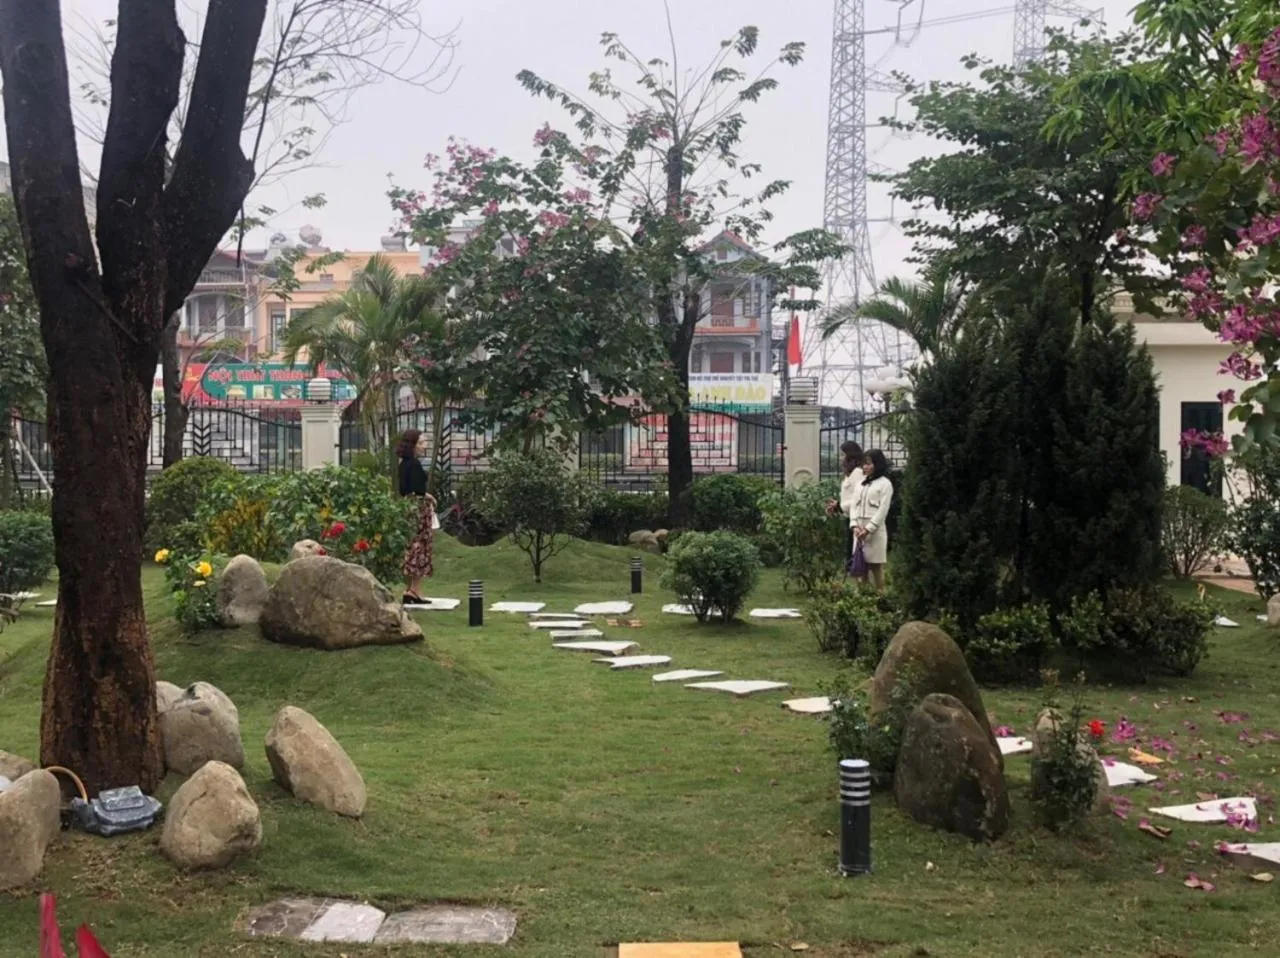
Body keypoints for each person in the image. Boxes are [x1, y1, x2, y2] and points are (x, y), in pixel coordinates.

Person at [396, 428, 436, 607]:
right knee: (420, 546)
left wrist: (425, 495)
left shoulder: (403, 464)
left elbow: (405, 490)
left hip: (409, 506)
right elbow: (417, 489)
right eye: (421, 442)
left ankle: (411, 589)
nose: (424, 446)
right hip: (419, 509)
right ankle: (415, 590)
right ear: (412, 445)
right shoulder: (414, 464)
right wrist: (426, 497)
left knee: (413, 545)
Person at [852, 449, 894, 592]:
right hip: (859, 531)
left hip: (875, 532)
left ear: (877, 464)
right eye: (864, 464)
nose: (865, 467)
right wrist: (854, 526)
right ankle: (863, 598)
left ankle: (880, 597)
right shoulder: (860, 484)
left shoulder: (885, 484)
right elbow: (854, 506)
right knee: (860, 566)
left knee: (876, 567)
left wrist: (868, 529)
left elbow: (882, 510)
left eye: (869, 463)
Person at [826, 441, 864, 565]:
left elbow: (859, 498)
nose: (840, 458)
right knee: (850, 556)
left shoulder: (858, 473)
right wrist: (838, 505)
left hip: (857, 519)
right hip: (849, 516)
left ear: (850, 455)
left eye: (843, 454)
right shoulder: (850, 473)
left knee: (855, 557)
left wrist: (839, 506)